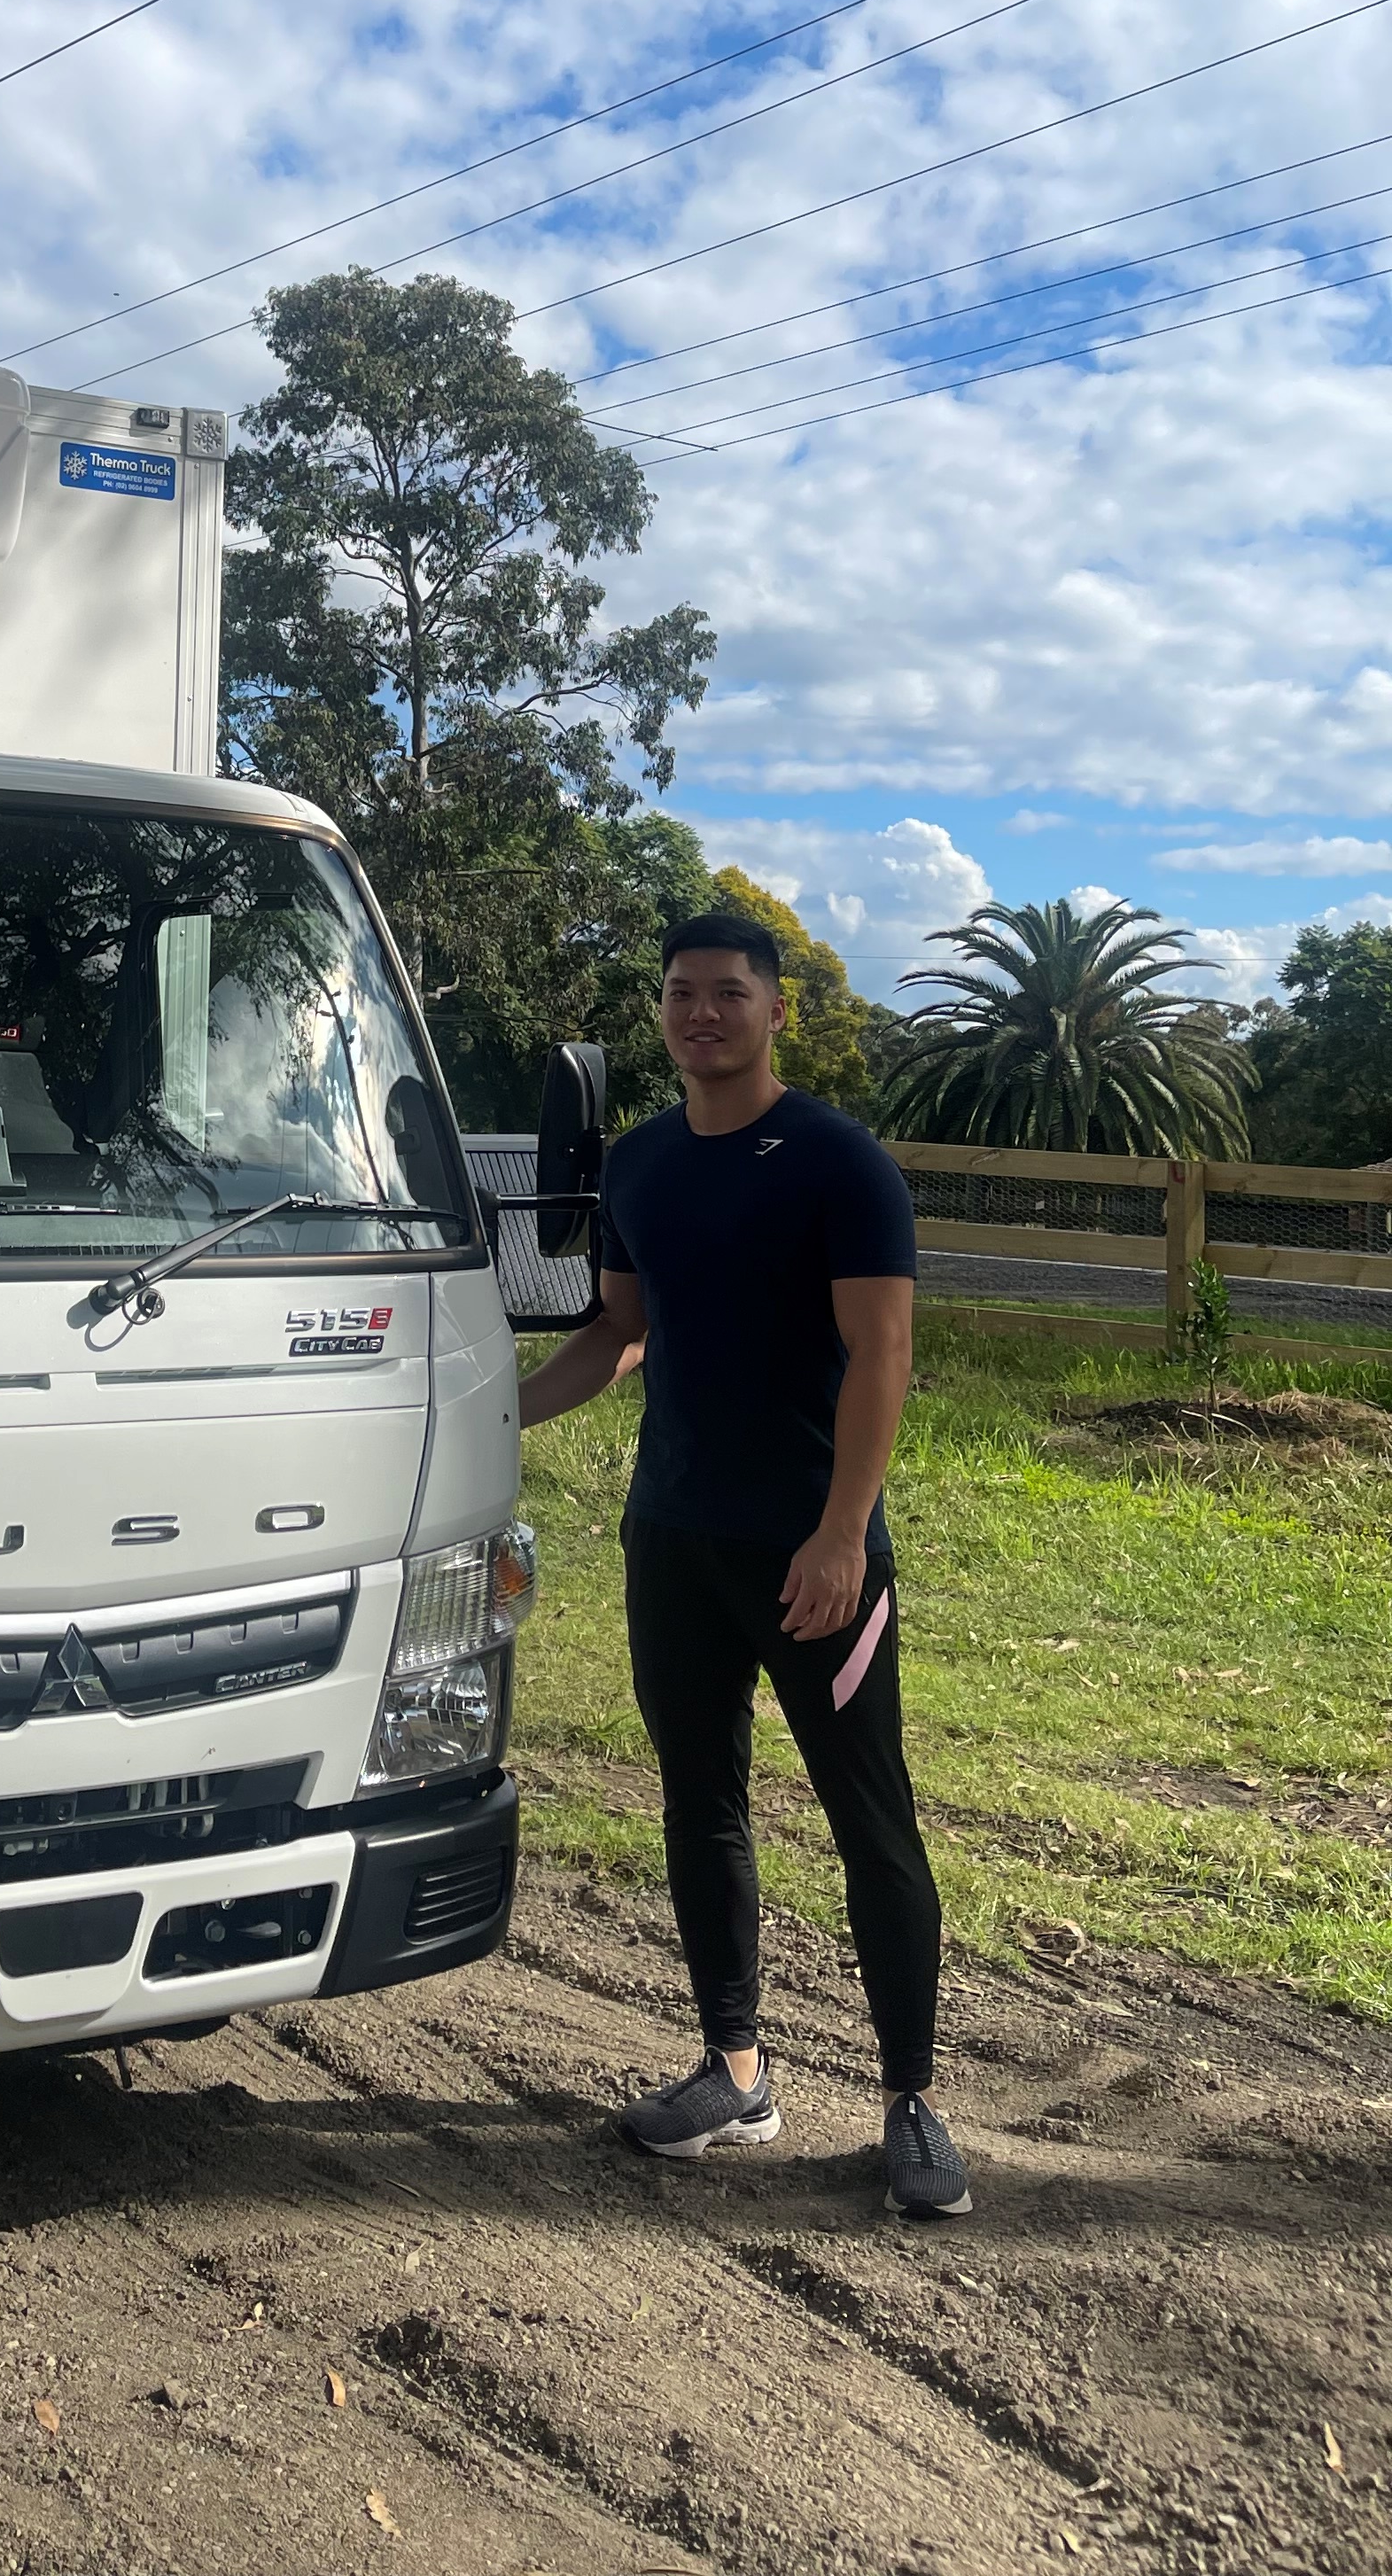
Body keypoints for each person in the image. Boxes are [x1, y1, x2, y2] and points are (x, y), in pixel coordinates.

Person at [523, 910, 971, 2221]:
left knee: (868, 1819)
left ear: (776, 1012)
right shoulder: (643, 1166)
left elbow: (883, 1355)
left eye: (727, 993)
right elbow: (618, 1333)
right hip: (673, 1544)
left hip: (813, 1553)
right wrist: (487, 1413)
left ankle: (911, 2101)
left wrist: (841, 1534)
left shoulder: (839, 1164)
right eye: (679, 994)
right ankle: (735, 2070)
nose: (700, 1013)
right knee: (697, 1801)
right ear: (659, 1014)